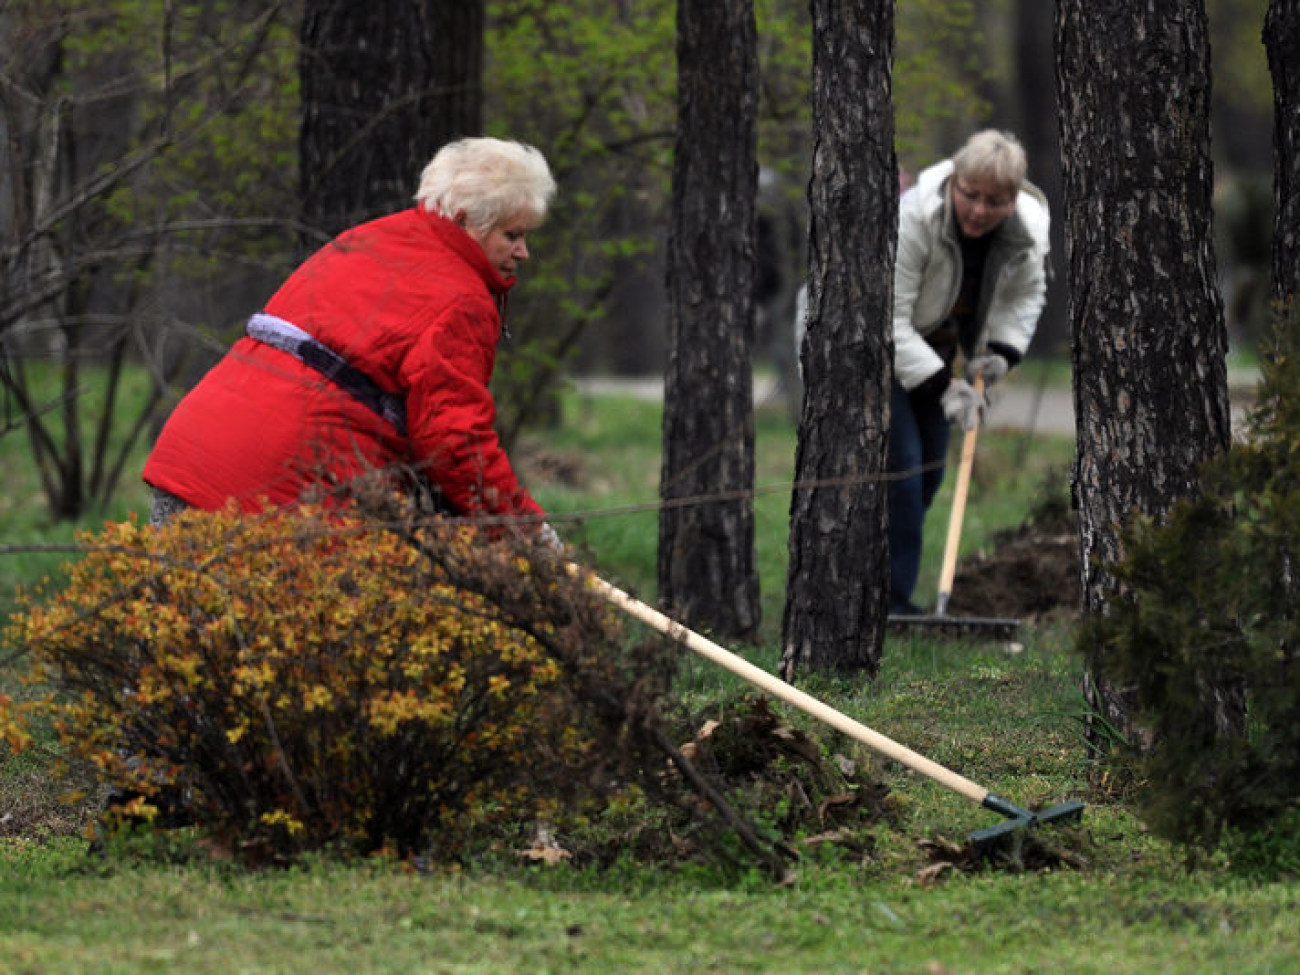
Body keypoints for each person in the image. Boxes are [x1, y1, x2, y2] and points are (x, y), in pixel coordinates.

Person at [143, 137, 559, 539]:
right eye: (512, 236)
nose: (524, 252)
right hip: (275, 492)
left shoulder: (371, 238)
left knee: (172, 605)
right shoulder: (462, 301)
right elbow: (454, 441)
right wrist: (526, 531)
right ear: (466, 220)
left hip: (191, 455)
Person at [888, 129, 1049, 615]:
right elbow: (887, 319)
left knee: (931, 470)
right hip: (875, 352)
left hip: (933, 355)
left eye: (995, 201)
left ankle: (885, 586)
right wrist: (947, 386)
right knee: (903, 475)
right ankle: (890, 602)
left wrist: (1002, 352)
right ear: (954, 182)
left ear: (1013, 198)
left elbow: (1025, 297)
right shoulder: (915, 218)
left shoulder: (1026, 233)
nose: (979, 210)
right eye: (971, 196)